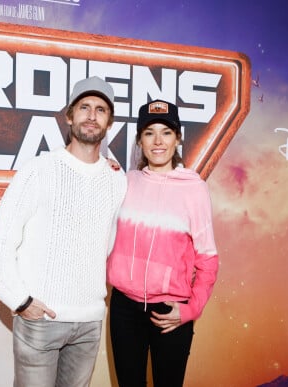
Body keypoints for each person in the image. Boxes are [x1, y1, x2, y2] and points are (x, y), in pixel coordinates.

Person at [0, 76, 126, 387]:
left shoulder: (117, 178)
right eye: (84, 107)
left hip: (89, 322)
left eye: (101, 109)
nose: (92, 115)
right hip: (41, 320)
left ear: (109, 122)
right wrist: (19, 300)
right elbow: (1, 240)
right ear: (69, 116)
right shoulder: (39, 170)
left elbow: (108, 244)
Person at [106, 99, 219, 387]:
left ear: (178, 138)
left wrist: (192, 309)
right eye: (149, 132)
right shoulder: (124, 182)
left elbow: (208, 260)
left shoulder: (194, 188)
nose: (158, 141)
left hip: (169, 311)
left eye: (166, 132)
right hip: (124, 309)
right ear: (139, 140)